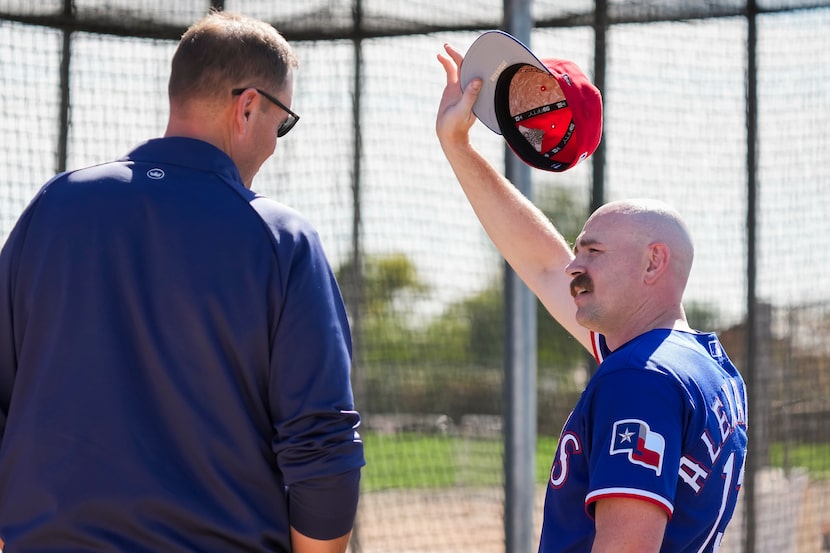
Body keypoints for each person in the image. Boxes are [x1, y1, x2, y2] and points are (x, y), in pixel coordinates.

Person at [0, 11, 364, 553]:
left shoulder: (54, 206)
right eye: (281, 121)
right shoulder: (280, 238)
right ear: (247, 106)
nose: (276, 142)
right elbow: (322, 442)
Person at [436, 38, 748, 553]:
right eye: (578, 251)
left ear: (653, 262)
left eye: (594, 252)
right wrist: (458, 147)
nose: (574, 265)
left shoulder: (641, 376)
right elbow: (542, 264)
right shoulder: (700, 366)